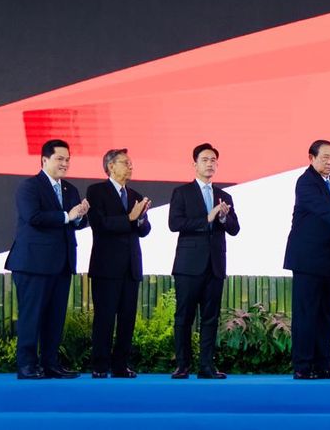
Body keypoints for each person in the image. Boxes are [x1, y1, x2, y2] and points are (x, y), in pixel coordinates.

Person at [5, 139, 89, 379]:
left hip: (61, 263)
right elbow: (34, 217)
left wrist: (81, 217)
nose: (65, 163)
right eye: (60, 159)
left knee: (55, 316)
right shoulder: (29, 187)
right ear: (44, 160)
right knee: (32, 315)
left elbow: (76, 222)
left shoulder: (70, 189)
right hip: (33, 263)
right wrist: (67, 216)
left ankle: (50, 363)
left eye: (67, 159)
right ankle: (27, 366)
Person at [168, 143, 240, 379]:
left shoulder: (224, 195)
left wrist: (223, 217)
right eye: (205, 160)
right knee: (184, 317)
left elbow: (235, 229)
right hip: (188, 266)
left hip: (215, 265)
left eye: (213, 161)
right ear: (194, 164)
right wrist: (205, 218)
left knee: (210, 318)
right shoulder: (182, 192)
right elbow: (175, 224)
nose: (210, 164)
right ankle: (182, 365)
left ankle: (206, 366)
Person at [283, 140, 330, 380]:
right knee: (306, 314)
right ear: (311, 157)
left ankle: (323, 366)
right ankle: (303, 366)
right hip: (308, 260)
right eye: (325, 157)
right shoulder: (306, 182)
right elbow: (329, 213)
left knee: (325, 315)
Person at [86, 148, 151, 379]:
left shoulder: (135, 194)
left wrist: (141, 218)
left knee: (127, 318)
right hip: (106, 266)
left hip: (131, 267)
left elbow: (145, 230)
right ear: (111, 166)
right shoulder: (96, 191)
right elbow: (100, 224)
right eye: (125, 162)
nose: (131, 166)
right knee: (104, 317)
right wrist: (130, 219)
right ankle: (100, 365)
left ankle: (120, 365)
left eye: (131, 162)